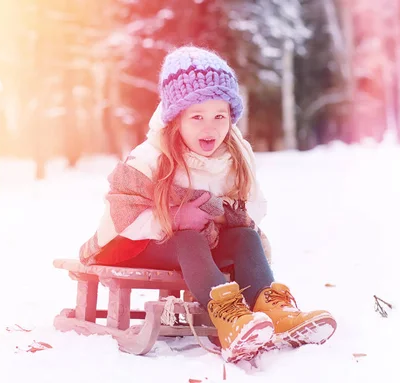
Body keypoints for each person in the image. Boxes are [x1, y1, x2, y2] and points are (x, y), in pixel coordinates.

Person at [79, 46, 337, 363]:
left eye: (220, 116)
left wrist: (229, 217)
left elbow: (254, 206)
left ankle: (273, 310)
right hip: (144, 243)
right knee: (188, 237)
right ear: (175, 120)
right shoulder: (151, 158)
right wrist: (171, 219)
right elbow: (122, 213)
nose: (210, 127)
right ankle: (228, 317)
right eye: (197, 117)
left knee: (245, 236)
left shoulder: (235, 155)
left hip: (204, 244)